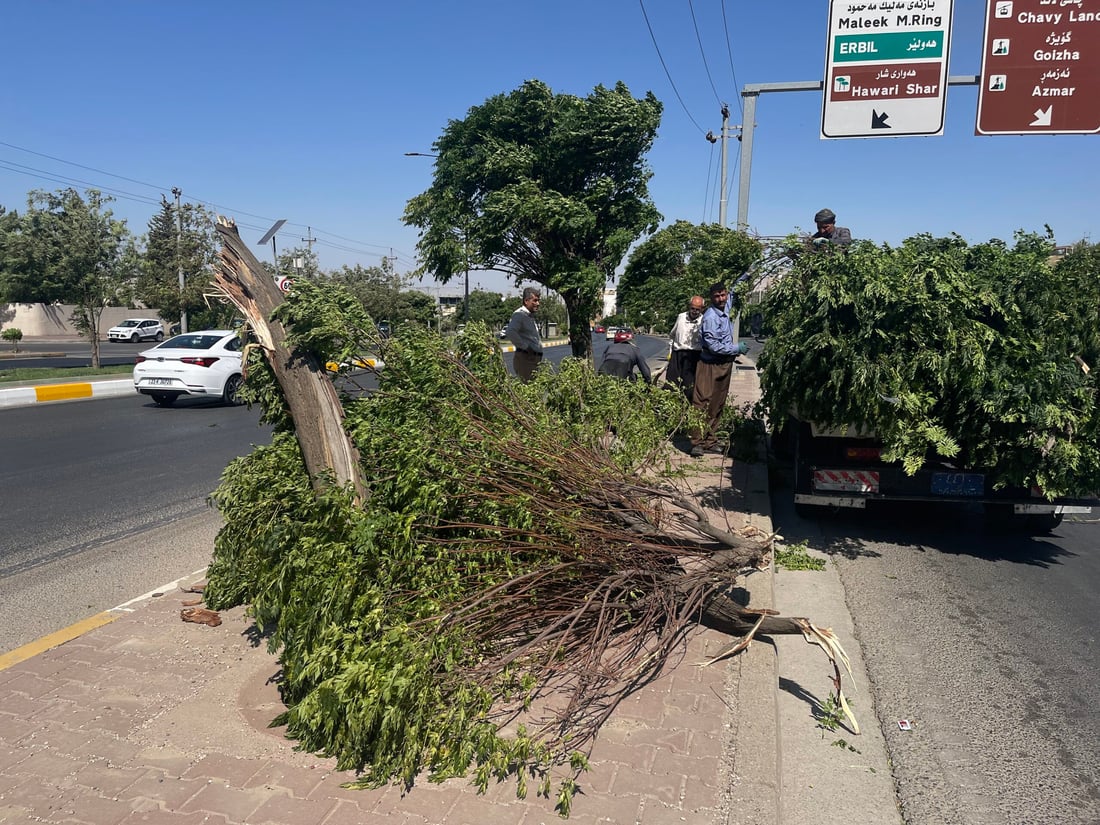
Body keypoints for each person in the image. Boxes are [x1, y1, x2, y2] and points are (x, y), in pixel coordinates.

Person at [690, 281, 748, 457]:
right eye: (717, 296)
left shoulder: (725, 307)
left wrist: (749, 273)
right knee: (702, 402)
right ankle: (696, 443)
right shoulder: (710, 317)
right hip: (709, 365)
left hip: (724, 364)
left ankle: (710, 441)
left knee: (718, 404)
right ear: (711, 298)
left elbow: (736, 289)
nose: (721, 298)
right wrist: (737, 348)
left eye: (723, 295)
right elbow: (714, 346)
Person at [666, 295, 706, 400]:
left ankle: (686, 411)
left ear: (702, 309)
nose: (694, 311)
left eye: (697, 309)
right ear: (689, 306)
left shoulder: (704, 321)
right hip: (677, 354)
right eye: (692, 308)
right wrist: (670, 351)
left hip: (693, 356)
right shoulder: (681, 317)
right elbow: (672, 335)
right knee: (671, 385)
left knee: (689, 387)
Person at [504, 287, 543, 382]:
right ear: (526, 301)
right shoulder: (519, 315)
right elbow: (510, 331)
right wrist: (525, 347)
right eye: (535, 300)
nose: (538, 304)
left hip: (533, 360)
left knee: (535, 390)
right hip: (526, 360)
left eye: (538, 300)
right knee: (529, 391)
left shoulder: (528, 316)